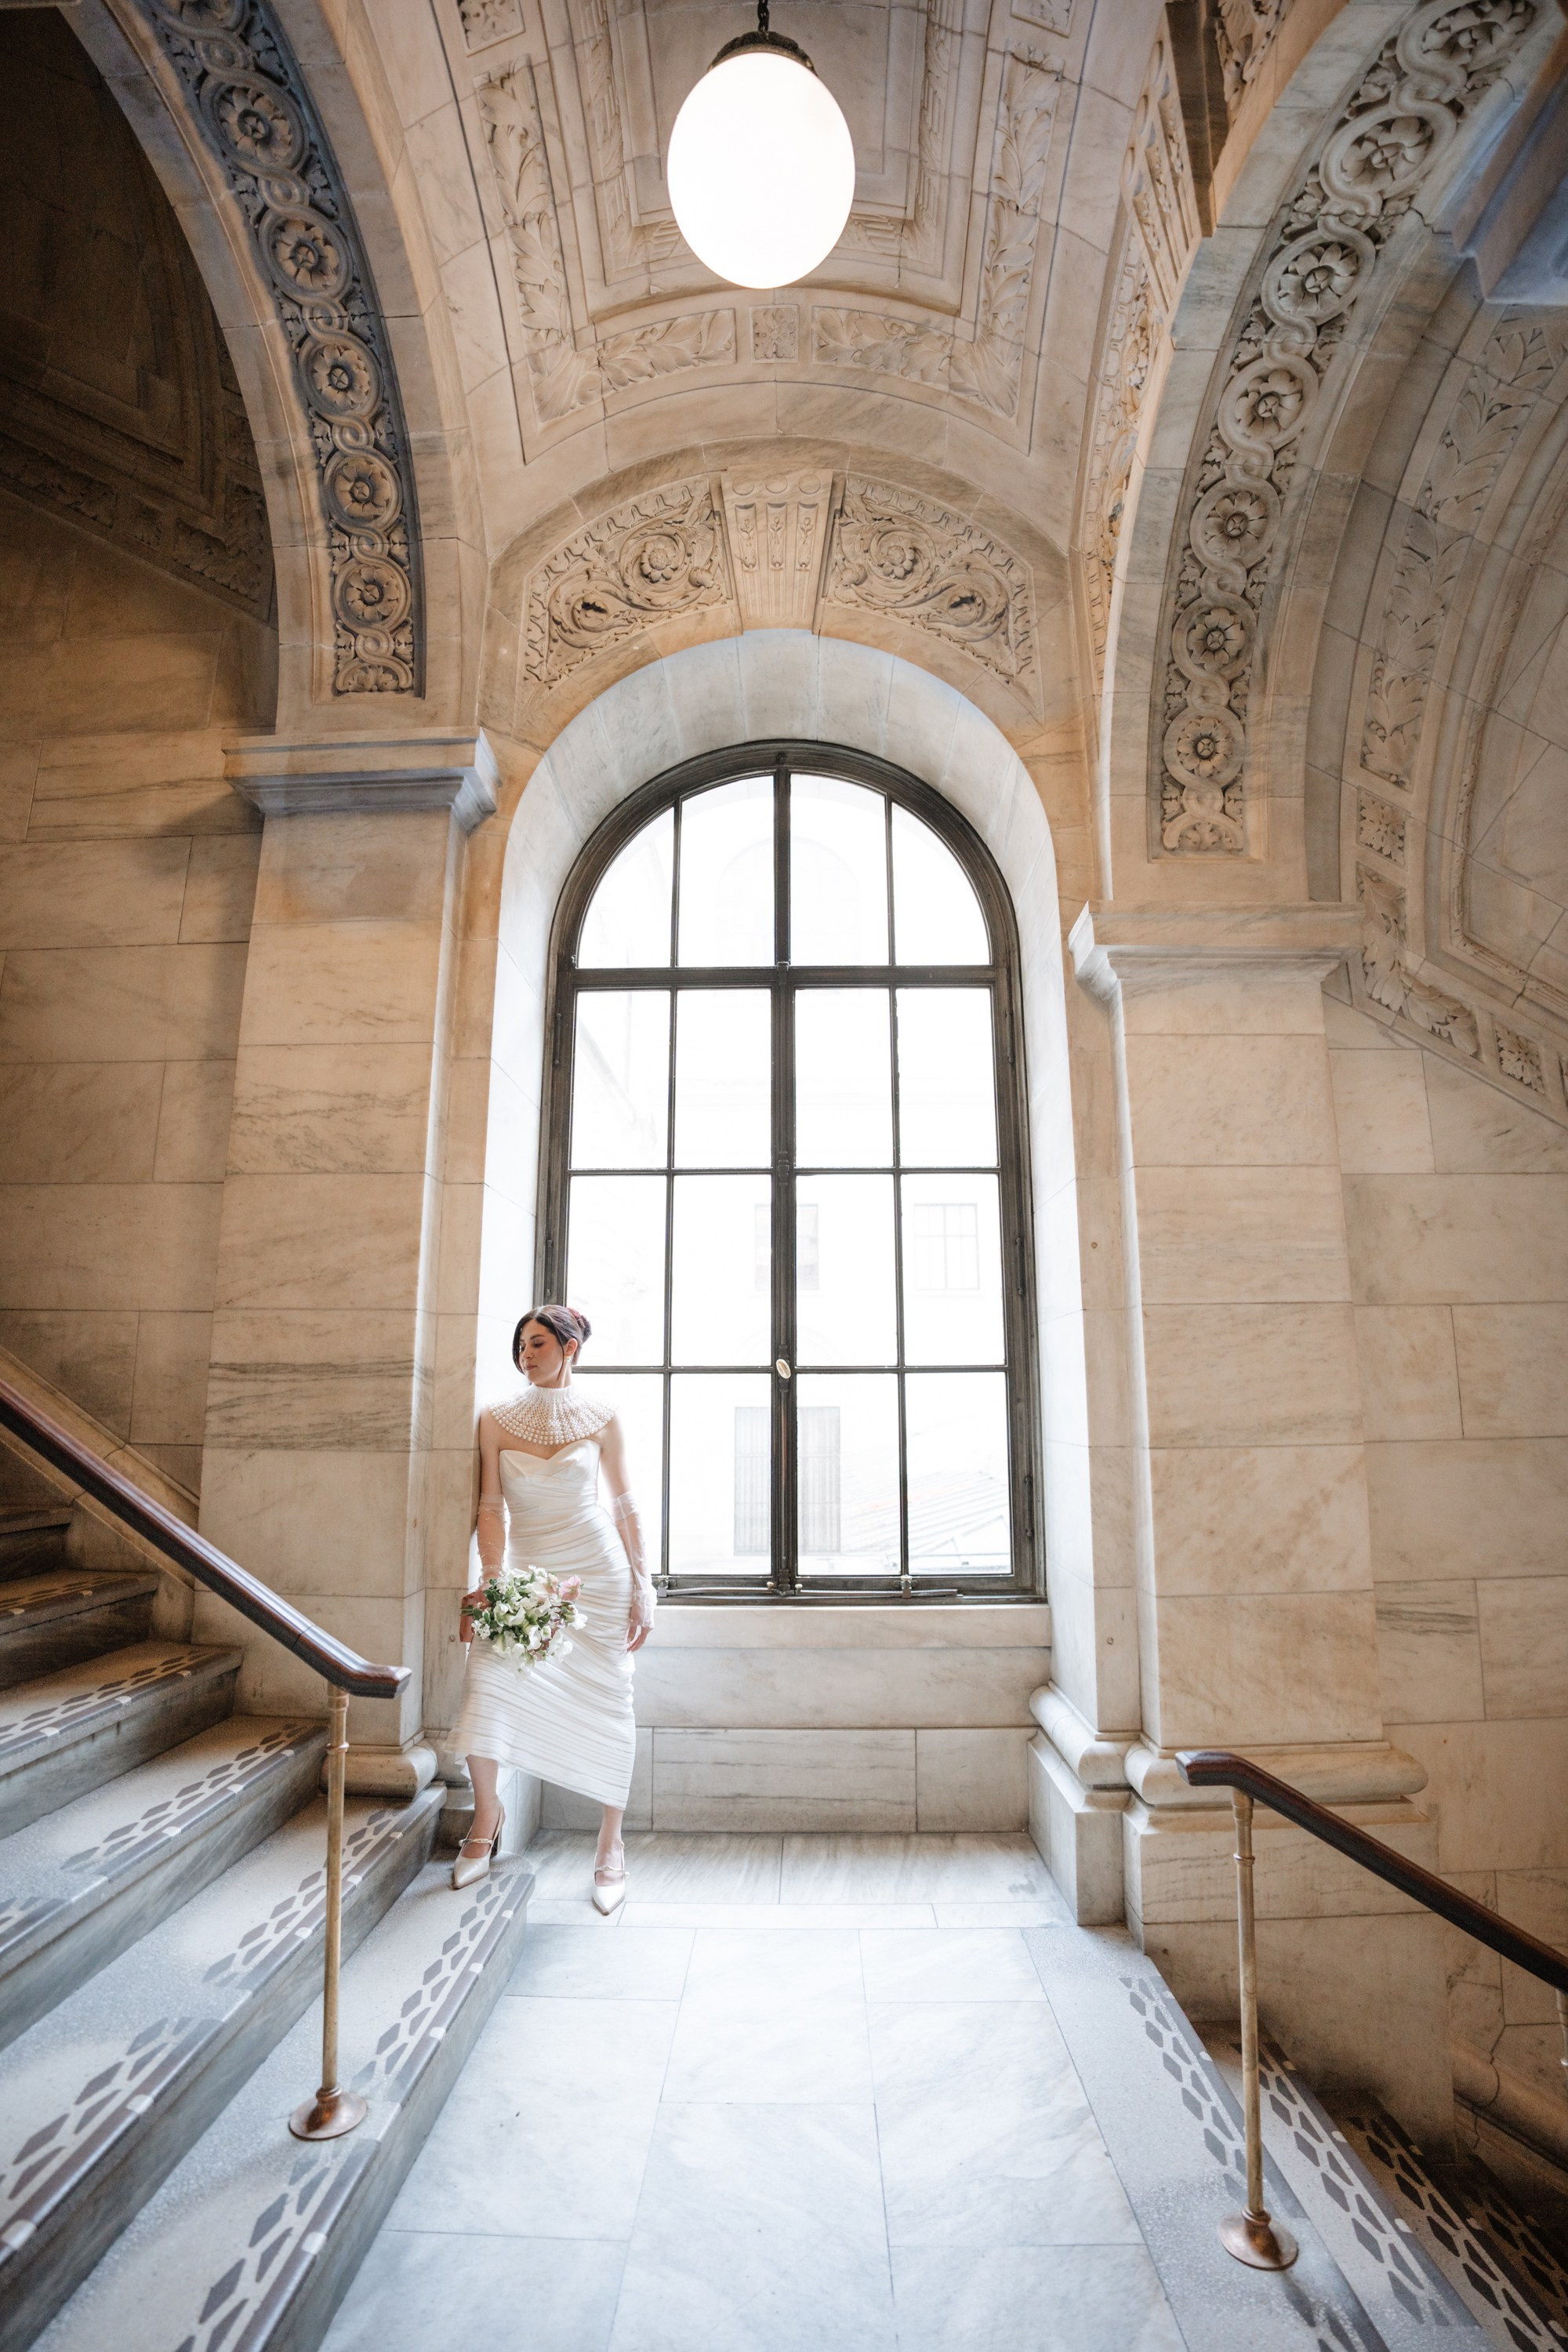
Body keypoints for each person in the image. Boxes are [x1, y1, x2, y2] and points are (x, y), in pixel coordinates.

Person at [449, 1305, 655, 1912]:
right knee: (486, 1685)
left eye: (538, 1343)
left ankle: (611, 1843)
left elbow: (624, 1505)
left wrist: (644, 1584)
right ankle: (486, 1816)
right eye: (521, 1346)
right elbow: (491, 1507)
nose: (526, 1355)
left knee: (609, 1701)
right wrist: (492, 1581)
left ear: (570, 1348)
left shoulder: (603, 1417)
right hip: (525, 1575)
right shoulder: (495, 1419)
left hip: (598, 1577)